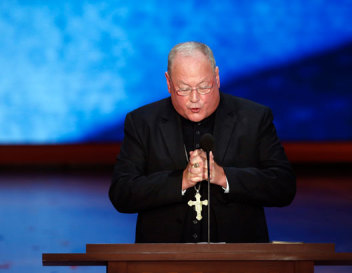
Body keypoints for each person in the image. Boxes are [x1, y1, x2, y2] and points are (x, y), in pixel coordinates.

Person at [109, 41, 296, 243]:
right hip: (163, 259)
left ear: (216, 77)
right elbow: (122, 193)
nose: (195, 98)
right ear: (168, 82)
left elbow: (283, 187)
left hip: (238, 260)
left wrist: (224, 177)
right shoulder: (142, 122)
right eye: (184, 89)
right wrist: (181, 180)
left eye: (204, 86)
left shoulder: (254, 118)